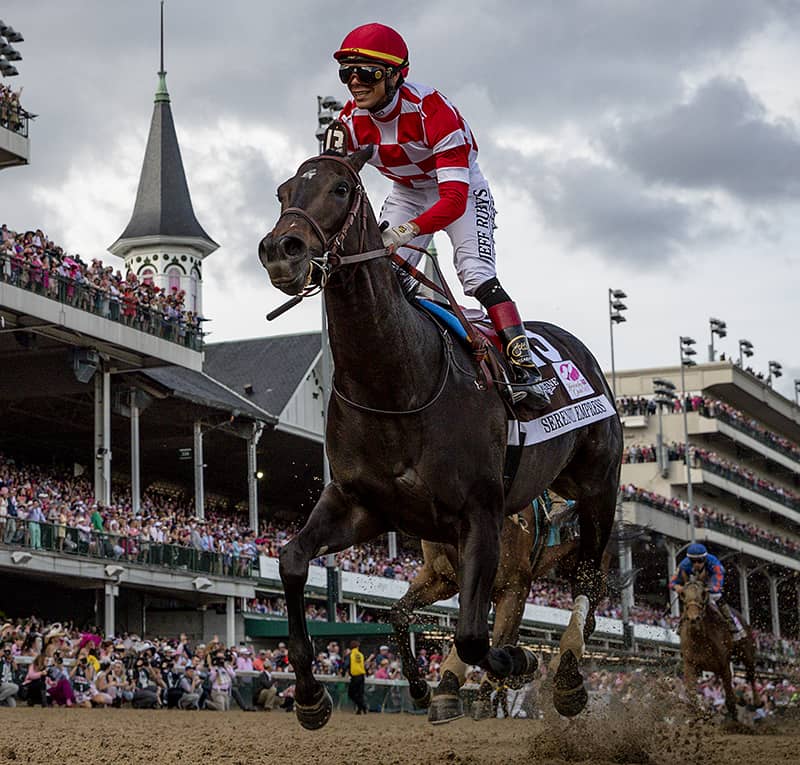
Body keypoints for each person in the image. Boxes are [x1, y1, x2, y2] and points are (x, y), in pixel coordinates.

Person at [331, 22, 550, 407]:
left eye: (365, 73)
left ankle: (523, 367)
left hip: (459, 189)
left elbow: (452, 201)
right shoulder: (348, 122)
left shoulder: (433, 111)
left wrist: (405, 231)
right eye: (346, 73)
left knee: (476, 274)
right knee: (384, 274)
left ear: (396, 75)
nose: (354, 82)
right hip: (407, 191)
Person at [669, 542, 745, 641]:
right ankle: (681, 624)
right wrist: (676, 587)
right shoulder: (684, 565)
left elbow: (717, 585)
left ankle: (734, 625)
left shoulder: (714, 563)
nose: (696, 564)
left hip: (710, 585)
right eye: (693, 561)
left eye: (700, 561)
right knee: (689, 600)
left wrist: (709, 589)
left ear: (705, 559)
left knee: (716, 596)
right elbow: (672, 582)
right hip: (693, 588)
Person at [345, 639, 367, 714]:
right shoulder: (361, 655)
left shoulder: (350, 655)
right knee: (360, 694)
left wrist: (343, 672)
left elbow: (346, 664)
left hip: (355, 677)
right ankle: (360, 709)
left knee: (351, 694)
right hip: (362, 676)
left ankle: (362, 706)